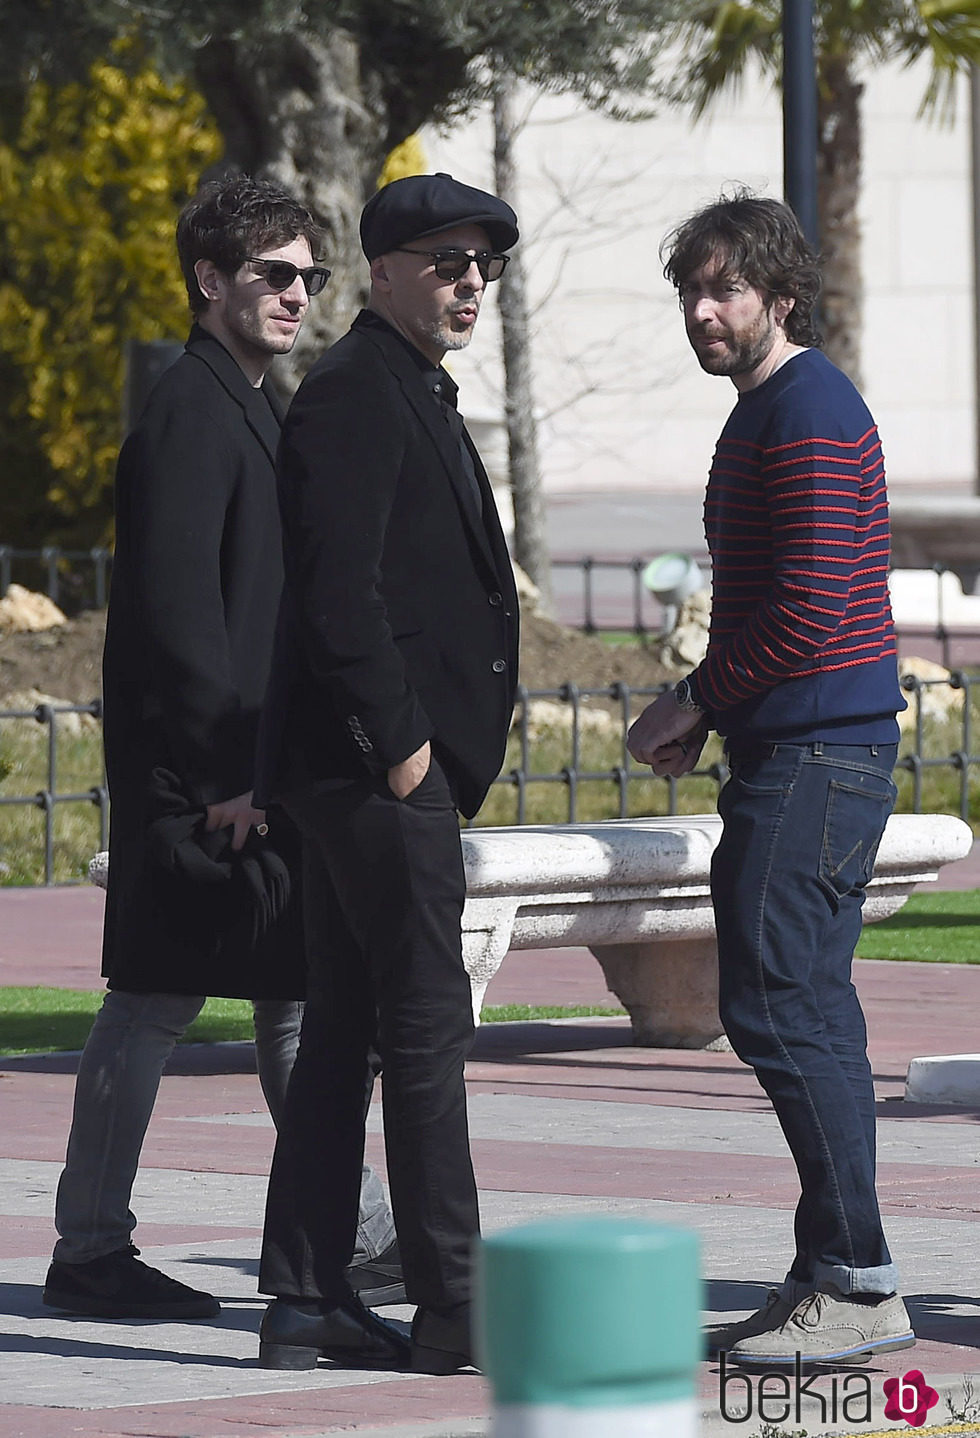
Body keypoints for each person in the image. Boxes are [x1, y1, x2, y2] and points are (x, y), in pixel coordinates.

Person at [42, 175, 400, 1323]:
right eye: (272, 274)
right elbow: (174, 615)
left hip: (244, 773)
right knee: (149, 1002)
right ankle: (90, 1249)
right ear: (210, 282)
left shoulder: (246, 399)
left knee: (290, 996)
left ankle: (352, 1228)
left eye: (309, 274)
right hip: (198, 782)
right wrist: (220, 779)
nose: (297, 293)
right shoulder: (192, 412)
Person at [627, 191, 914, 1366]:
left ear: (776, 295)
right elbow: (777, 600)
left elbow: (805, 605)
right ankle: (829, 1269)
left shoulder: (801, 409)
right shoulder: (771, 409)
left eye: (723, 289)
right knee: (809, 1009)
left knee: (775, 1005)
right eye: (689, 292)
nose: (702, 311)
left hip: (815, 755)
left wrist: (693, 697)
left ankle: (855, 1282)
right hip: (802, 747)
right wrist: (714, 707)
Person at [252, 172, 520, 1375]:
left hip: (378, 778)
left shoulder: (408, 385)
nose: (471, 283)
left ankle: (305, 1293)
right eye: (449, 260)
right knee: (424, 1031)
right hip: (373, 780)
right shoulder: (355, 391)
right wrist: (405, 748)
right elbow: (334, 593)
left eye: (485, 266)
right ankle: (453, 1304)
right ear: (385, 268)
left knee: (353, 1027)